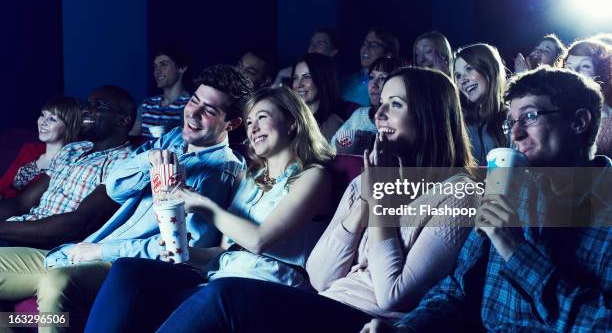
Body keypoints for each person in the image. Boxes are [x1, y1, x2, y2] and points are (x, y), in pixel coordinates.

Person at [99, 67, 481, 333]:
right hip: (327, 302)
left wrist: (380, 201)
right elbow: (322, 274)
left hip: (367, 321)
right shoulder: (365, 181)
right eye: (382, 101)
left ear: (431, 115)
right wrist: (365, 202)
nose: (378, 111)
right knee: (133, 272)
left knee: (224, 296)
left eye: (396, 104)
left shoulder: (460, 192)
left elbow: (394, 293)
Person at [0, 65, 252, 333]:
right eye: (194, 101)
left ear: (232, 123)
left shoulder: (222, 171)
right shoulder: (173, 139)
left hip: (127, 266)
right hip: (89, 248)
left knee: (57, 282)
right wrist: (147, 159)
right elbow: (115, 186)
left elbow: (181, 249)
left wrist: (100, 251)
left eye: (209, 111)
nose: (194, 113)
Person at [362, 66, 611, 332]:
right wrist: (404, 329)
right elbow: (456, 292)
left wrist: (515, 251)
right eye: (511, 122)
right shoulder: (512, 191)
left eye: (529, 116)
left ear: (579, 122)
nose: (515, 135)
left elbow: (602, 324)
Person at [84, 85, 335, 333]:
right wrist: (185, 252)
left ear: (291, 122)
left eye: (262, 117)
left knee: (217, 293)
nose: (254, 128)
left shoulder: (313, 176)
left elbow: (259, 241)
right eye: (249, 122)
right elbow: (223, 250)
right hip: (220, 276)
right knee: (130, 269)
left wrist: (204, 206)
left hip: (271, 284)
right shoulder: (249, 178)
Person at [0, 86, 135, 247]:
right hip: (18, 230)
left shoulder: (126, 161)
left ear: (123, 119)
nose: (85, 110)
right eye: (86, 104)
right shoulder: (73, 149)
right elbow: (22, 202)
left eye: (97, 105)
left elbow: (80, 223)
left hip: (52, 245)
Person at [0, 97, 80, 200]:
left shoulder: (69, 163)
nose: (43, 122)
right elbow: (3, 186)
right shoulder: (30, 149)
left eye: (52, 119)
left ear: (69, 127)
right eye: (43, 115)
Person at [331, 56, 405, 154]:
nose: (374, 84)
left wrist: (369, 142)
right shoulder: (360, 115)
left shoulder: (401, 120)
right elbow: (332, 145)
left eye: (383, 78)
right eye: (371, 77)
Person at [452, 43, 507, 165]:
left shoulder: (513, 119)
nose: (463, 80)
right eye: (458, 75)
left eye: (469, 69)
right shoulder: (461, 124)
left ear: (489, 69)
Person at [564, 38, 612, 157]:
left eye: (585, 66)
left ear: (602, 73)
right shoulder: (554, 110)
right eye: (568, 67)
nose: (573, 72)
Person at [130, 48, 191, 139]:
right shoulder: (147, 104)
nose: (157, 71)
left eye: (163, 65)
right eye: (155, 66)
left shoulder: (190, 105)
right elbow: (133, 137)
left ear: (182, 67)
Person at [340, 27, 399, 106]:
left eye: (373, 45)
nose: (365, 48)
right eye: (365, 43)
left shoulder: (392, 85)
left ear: (388, 53)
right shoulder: (344, 82)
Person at [292, 53, 345, 141]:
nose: (299, 84)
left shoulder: (332, 123)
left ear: (322, 80)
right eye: (295, 78)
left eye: (307, 77)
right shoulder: (291, 119)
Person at [273, 28, 339, 87]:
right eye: (311, 43)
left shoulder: (333, 79)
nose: (312, 47)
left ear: (332, 52)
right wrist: (281, 74)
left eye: (320, 44)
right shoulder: (297, 70)